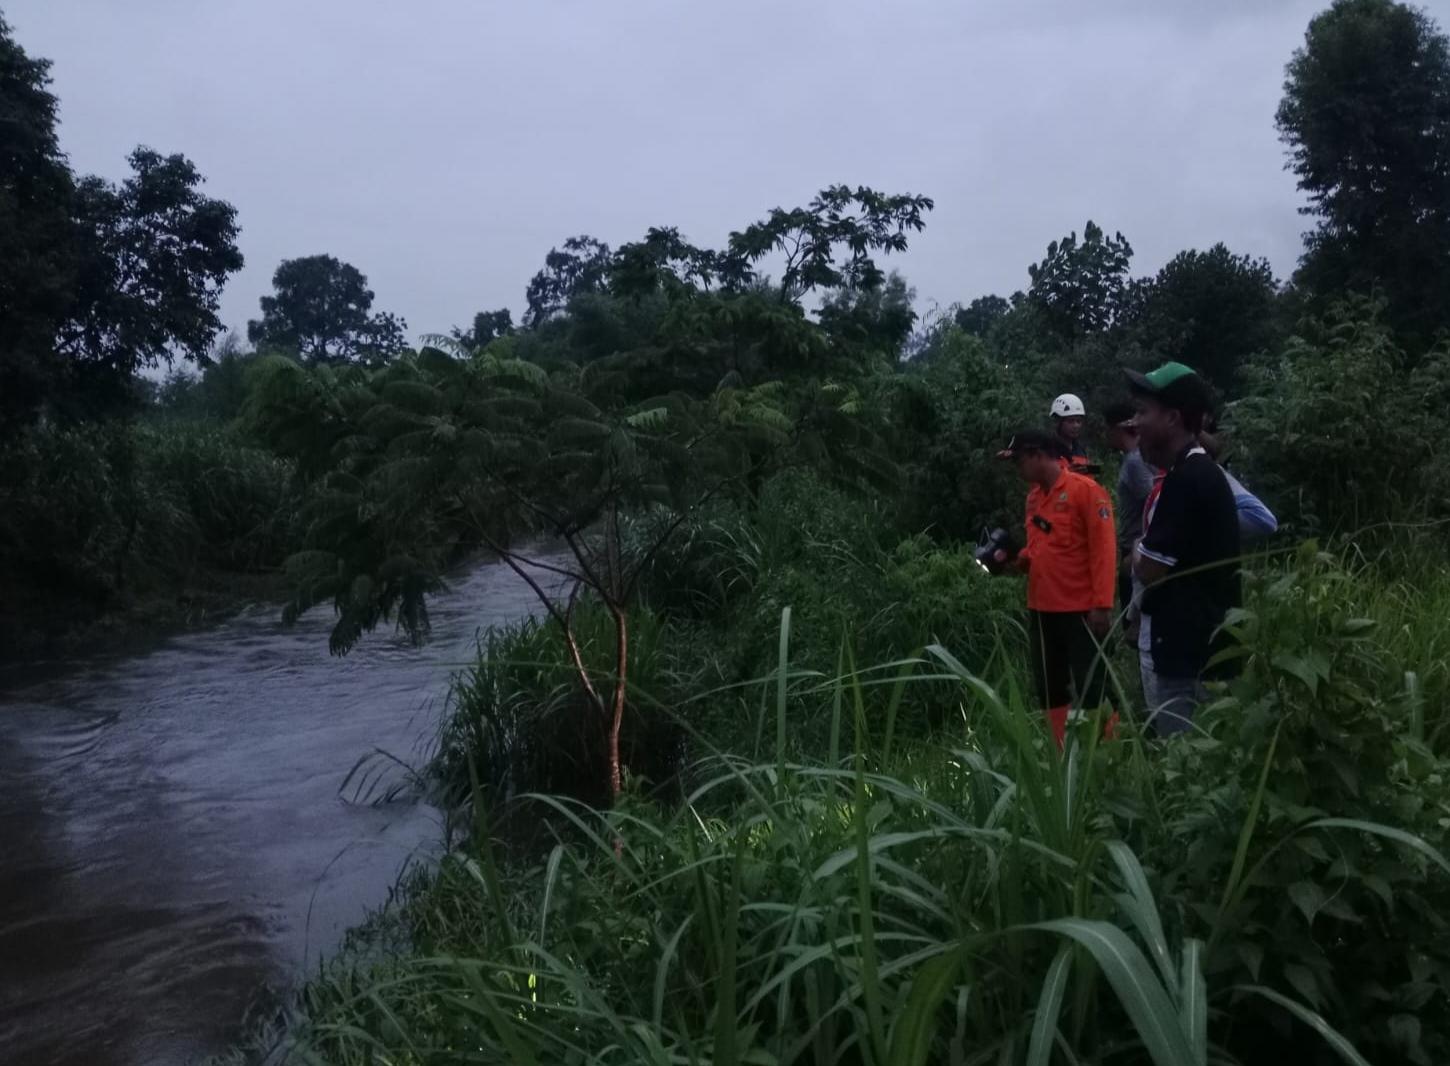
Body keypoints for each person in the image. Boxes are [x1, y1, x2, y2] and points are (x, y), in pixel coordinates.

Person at [1125, 362, 1241, 737]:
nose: (1135, 423)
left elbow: (1148, 569)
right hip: (1204, 650)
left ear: (1173, 419)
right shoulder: (1197, 472)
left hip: (1190, 659)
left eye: (1143, 412)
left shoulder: (1186, 480)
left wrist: (1138, 547)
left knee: (1186, 766)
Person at [996, 428, 1117, 747]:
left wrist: (1101, 604)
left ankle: (1109, 750)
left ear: (1038, 455)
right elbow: (1039, 548)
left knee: (1093, 683)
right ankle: (1059, 750)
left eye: (1018, 461)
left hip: (1080, 609)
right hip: (1041, 607)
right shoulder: (1034, 498)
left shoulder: (1086, 491)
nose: (1017, 469)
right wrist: (1015, 559)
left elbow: (1104, 550)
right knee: (1050, 685)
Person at [1104, 400, 1156, 615]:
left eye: (1108, 429)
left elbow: (1153, 501)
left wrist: (1138, 547)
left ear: (1118, 429)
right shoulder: (1133, 458)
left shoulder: (1135, 462)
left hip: (1136, 547)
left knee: (1133, 622)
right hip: (1135, 545)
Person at [1050, 394, 1092, 472]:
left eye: (1078, 421)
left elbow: (1090, 477)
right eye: (1070, 421)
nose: (1076, 426)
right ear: (1058, 422)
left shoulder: (1080, 449)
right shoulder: (1048, 450)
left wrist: (1092, 469)